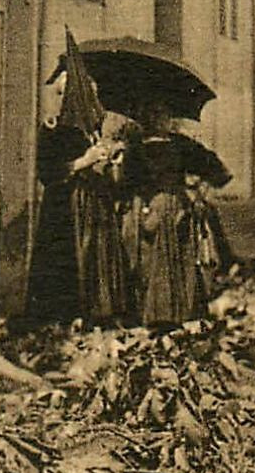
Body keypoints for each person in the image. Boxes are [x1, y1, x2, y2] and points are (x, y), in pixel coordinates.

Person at [25, 55, 132, 327]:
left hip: (94, 207)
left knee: (97, 265)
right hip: (65, 210)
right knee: (65, 265)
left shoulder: (92, 131)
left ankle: (96, 317)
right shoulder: (53, 130)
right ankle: (60, 321)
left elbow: (109, 178)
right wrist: (84, 161)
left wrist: (111, 161)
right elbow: (48, 174)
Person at [122, 103, 233, 327]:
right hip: (175, 207)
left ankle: (151, 314)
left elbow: (124, 185)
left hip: (145, 210)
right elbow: (219, 171)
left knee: (148, 264)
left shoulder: (134, 149)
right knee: (176, 261)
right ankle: (178, 312)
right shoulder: (181, 144)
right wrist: (200, 189)